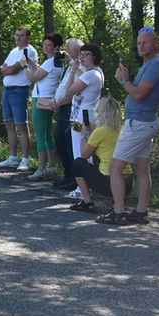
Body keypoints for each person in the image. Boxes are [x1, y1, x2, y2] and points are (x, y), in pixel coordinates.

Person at [104, 27, 159, 224]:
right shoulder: (150, 64)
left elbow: (139, 94)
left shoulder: (156, 64)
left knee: (115, 168)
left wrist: (123, 80)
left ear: (155, 43)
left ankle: (118, 212)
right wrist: (127, 80)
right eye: (139, 42)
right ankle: (140, 211)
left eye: (145, 42)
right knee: (142, 167)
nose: (141, 46)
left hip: (140, 123)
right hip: (144, 122)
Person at [67, 97, 131, 214]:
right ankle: (118, 203)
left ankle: (87, 201)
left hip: (108, 183)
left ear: (101, 113)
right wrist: (94, 131)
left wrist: (83, 135)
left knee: (78, 163)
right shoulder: (123, 130)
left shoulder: (100, 132)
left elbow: (84, 155)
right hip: (128, 183)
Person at [60, 42, 105, 199]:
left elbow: (68, 92)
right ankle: (86, 188)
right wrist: (76, 67)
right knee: (86, 153)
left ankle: (82, 190)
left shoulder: (90, 74)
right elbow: (83, 76)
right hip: (86, 115)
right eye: (81, 54)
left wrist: (72, 71)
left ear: (94, 57)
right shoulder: (96, 72)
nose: (82, 57)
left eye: (86, 55)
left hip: (82, 117)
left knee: (80, 153)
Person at [0, 27, 37, 171]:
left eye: (22, 36)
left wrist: (5, 71)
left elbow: (13, 70)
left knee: (21, 125)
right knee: (9, 124)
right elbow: (1, 68)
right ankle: (12, 157)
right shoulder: (14, 51)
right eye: (17, 35)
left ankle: (25, 159)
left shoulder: (29, 51)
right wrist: (5, 70)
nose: (18, 38)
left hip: (20, 91)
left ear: (28, 37)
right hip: (7, 91)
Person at [24, 32, 64, 180]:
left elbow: (33, 77)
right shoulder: (57, 62)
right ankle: (51, 166)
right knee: (47, 134)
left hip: (40, 99)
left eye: (49, 45)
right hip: (50, 98)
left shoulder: (50, 62)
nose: (46, 48)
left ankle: (41, 168)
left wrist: (24, 66)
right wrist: (33, 64)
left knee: (41, 135)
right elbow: (42, 72)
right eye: (44, 45)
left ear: (57, 47)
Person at [51, 38, 84, 191]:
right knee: (61, 143)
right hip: (63, 108)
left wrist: (60, 102)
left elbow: (73, 91)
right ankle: (67, 175)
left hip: (71, 108)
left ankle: (75, 179)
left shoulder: (81, 67)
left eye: (67, 50)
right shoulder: (71, 66)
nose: (63, 52)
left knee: (70, 144)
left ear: (74, 51)